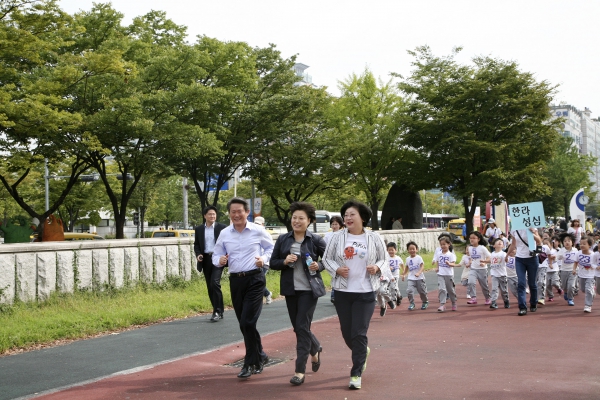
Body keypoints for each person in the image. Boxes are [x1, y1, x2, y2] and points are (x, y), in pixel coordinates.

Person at [322, 200, 390, 390]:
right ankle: (362, 352)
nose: (347, 218)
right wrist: (337, 269)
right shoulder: (336, 237)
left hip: (365, 291)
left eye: (352, 214)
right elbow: (326, 259)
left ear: (362, 217)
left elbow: (385, 259)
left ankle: (356, 373)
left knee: (359, 333)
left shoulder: (374, 237)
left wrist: (377, 267)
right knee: (347, 333)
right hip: (342, 291)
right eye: (345, 215)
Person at [212, 198, 274, 379]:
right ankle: (261, 355)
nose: (236, 215)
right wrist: (220, 260)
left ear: (247, 212)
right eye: (233, 212)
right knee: (244, 323)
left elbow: (271, 248)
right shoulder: (224, 233)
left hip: (255, 279)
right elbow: (216, 254)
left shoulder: (258, 230)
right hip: (235, 281)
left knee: (247, 322)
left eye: (240, 211)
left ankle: (250, 363)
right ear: (229, 214)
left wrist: (264, 259)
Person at [270, 202, 326, 386]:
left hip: (309, 290)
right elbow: (273, 262)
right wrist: (284, 261)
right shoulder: (283, 239)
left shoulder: (316, 240)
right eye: (294, 217)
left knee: (301, 327)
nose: (296, 221)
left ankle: (299, 371)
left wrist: (319, 265)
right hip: (291, 290)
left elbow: (330, 259)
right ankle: (315, 348)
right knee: (299, 327)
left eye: (301, 218)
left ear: (309, 221)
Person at [194, 206, 228, 322]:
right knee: (210, 286)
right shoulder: (199, 229)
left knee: (215, 283)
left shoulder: (222, 228)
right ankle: (219, 309)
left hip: (218, 258)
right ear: (205, 216)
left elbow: (227, 243)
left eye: (214, 214)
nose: (212, 216)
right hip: (206, 260)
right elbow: (197, 244)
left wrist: (225, 256)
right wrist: (198, 254)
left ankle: (217, 311)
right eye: (210, 214)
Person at [506, 226, 542, 316]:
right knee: (521, 283)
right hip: (519, 259)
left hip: (532, 258)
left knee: (532, 283)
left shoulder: (532, 227)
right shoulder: (514, 229)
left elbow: (539, 241)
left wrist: (533, 233)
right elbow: (513, 244)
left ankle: (533, 303)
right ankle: (522, 307)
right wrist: (507, 254)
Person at [466, 231, 491, 305]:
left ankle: (487, 298)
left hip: (482, 269)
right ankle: (473, 298)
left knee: (484, 286)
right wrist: (469, 262)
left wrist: (484, 262)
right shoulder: (469, 248)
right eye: (470, 238)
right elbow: (471, 257)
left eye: (474, 238)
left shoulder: (482, 248)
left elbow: (489, 257)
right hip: (473, 269)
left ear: (478, 239)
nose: (472, 240)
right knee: (470, 282)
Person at [573, 236, 596, 313]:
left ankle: (588, 305)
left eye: (584, 244)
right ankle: (592, 292)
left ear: (589, 245)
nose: (582, 245)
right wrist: (574, 269)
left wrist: (594, 267)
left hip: (591, 275)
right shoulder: (578, 253)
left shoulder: (593, 255)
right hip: (581, 275)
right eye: (581, 243)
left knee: (588, 289)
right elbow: (576, 262)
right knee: (583, 289)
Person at [403, 241, 429, 311]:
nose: (412, 250)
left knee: (422, 291)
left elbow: (422, 266)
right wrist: (404, 274)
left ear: (416, 249)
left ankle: (425, 301)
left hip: (419, 278)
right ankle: (412, 303)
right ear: (408, 250)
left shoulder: (419, 258)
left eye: (413, 249)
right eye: (410, 249)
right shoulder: (407, 259)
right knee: (409, 291)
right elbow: (407, 267)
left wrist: (419, 273)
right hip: (411, 278)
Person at [325, 215, 344, 303]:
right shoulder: (328, 235)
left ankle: (336, 294)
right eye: (332, 224)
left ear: (340, 225)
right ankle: (334, 295)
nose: (334, 226)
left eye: (336, 224)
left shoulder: (343, 234)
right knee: (334, 275)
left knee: (339, 275)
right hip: (331, 259)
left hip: (341, 259)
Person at [435, 236, 457, 312]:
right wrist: (437, 268)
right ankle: (442, 304)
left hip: (449, 274)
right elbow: (438, 261)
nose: (443, 246)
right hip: (440, 274)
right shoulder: (439, 254)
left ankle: (453, 303)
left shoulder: (451, 255)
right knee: (442, 289)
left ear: (449, 244)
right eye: (441, 244)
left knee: (450, 290)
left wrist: (449, 263)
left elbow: (453, 264)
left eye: (444, 244)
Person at [254, 216, 273, 305]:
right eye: (255, 224)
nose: (257, 225)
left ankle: (267, 294)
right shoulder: (252, 233)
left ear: (263, 224)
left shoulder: (265, 233)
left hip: (265, 263)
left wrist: (264, 259)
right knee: (257, 281)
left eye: (259, 224)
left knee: (259, 281)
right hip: (255, 263)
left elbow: (269, 248)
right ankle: (267, 294)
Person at [557, 232, 578, 306]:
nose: (567, 242)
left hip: (573, 271)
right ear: (562, 243)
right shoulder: (561, 250)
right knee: (564, 286)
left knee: (571, 286)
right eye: (565, 241)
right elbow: (556, 258)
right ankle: (566, 292)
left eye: (569, 241)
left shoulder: (576, 250)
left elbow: (578, 260)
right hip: (563, 270)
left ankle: (570, 299)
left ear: (572, 242)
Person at [489, 238, 509, 309]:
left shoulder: (504, 254)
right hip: (494, 274)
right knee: (494, 289)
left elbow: (507, 260)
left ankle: (506, 301)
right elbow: (490, 261)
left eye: (501, 242)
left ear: (503, 246)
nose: (500, 242)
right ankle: (493, 302)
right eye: (497, 242)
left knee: (504, 291)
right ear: (494, 246)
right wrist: (484, 262)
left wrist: (507, 259)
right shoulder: (492, 254)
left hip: (502, 274)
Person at [387, 242, 403, 306]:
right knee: (394, 287)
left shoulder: (398, 258)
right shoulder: (387, 258)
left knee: (393, 287)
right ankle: (399, 296)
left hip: (395, 275)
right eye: (389, 250)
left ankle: (394, 299)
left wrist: (403, 272)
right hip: (389, 276)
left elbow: (402, 264)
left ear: (396, 250)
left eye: (392, 250)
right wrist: (388, 268)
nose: (391, 251)